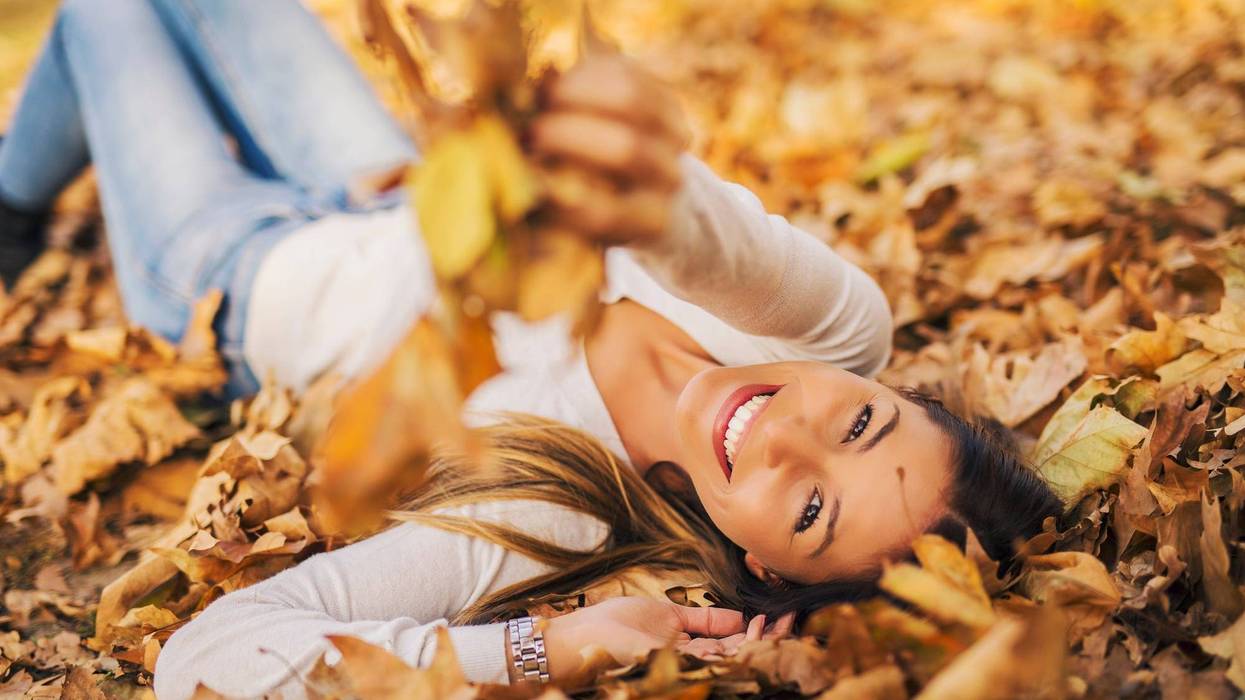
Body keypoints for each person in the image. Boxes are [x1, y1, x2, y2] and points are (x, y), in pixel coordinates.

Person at [0, 1, 1064, 697]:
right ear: (875, 385)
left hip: (237, 278)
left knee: (105, 13)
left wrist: (538, 647)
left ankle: (7, 203)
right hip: (388, 184)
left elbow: (208, 657)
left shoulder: (548, 503)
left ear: (768, 571)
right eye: (859, 420)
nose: (789, 435)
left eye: (811, 508)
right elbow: (701, 229)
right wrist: (626, 178)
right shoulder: (836, 333)